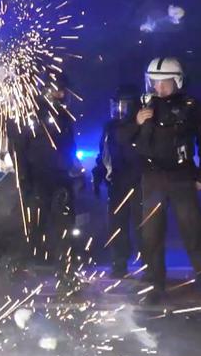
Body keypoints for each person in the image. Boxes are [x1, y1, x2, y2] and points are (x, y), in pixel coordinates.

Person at [126, 57, 201, 304]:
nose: (158, 88)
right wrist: (136, 122)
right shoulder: (141, 105)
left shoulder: (192, 106)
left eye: (164, 82)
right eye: (154, 82)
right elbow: (121, 136)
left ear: (177, 80)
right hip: (152, 178)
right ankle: (153, 285)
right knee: (151, 235)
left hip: (181, 177)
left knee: (194, 233)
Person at [21, 73, 80, 265]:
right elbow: (20, 148)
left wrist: (75, 173)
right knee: (38, 220)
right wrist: (25, 179)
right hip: (40, 176)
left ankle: (64, 259)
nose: (61, 94)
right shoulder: (34, 116)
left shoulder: (64, 117)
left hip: (61, 177)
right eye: (57, 91)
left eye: (63, 91)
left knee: (64, 221)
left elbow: (69, 146)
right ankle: (35, 258)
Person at [92, 85, 145, 279]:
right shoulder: (110, 126)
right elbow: (104, 154)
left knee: (143, 227)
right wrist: (98, 174)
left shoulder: (142, 125)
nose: (118, 110)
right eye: (116, 106)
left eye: (123, 106)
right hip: (117, 183)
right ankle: (119, 264)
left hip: (139, 183)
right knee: (116, 226)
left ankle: (149, 266)